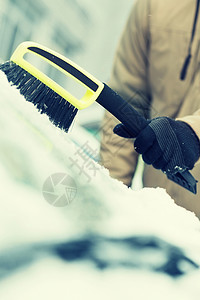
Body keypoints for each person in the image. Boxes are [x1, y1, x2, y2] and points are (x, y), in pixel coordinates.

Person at [100, 0, 200, 218]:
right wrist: (109, 197)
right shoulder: (154, 5)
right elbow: (126, 101)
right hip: (156, 214)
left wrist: (194, 131)